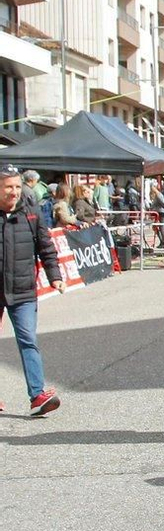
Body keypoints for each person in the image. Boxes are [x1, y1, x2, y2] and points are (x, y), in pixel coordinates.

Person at [0, 166, 64, 416]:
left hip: (23, 290)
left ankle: (37, 396)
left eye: (17, 186)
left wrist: (55, 277)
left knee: (28, 340)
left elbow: (46, 248)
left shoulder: (32, 214)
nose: (14, 192)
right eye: (8, 187)